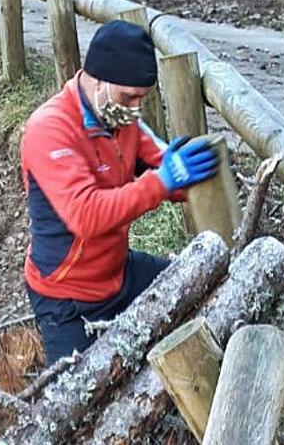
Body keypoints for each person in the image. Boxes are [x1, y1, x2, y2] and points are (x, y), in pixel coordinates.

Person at [20, 20, 220, 365]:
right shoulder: (50, 130)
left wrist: (191, 174)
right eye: (129, 96)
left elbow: (163, 165)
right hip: (66, 299)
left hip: (118, 273)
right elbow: (87, 216)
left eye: (142, 98)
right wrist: (162, 182)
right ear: (96, 79)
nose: (135, 108)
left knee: (205, 289)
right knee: (74, 408)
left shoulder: (122, 119)